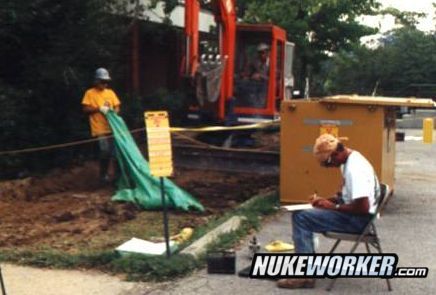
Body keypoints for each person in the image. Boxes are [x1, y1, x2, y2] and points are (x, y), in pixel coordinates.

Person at [277, 134, 379, 289]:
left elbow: (362, 207)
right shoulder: (351, 159)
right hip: (357, 216)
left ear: (336, 153)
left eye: (329, 163)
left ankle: (304, 275)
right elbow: (347, 196)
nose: (331, 167)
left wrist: (333, 207)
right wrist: (328, 200)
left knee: (302, 218)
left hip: (359, 221)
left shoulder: (355, 170)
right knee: (302, 214)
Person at [81, 68, 121, 184]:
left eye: (106, 81)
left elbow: (117, 106)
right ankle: (103, 176)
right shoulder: (90, 93)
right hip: (99, 128)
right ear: (96, 81)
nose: (105, 84)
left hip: (112, 127)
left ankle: (117, 177)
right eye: (102, 81)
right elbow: (85, 108)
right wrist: (98, 109)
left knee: (116, 153)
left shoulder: (110, 93)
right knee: (105, 151)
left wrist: (114, 112)